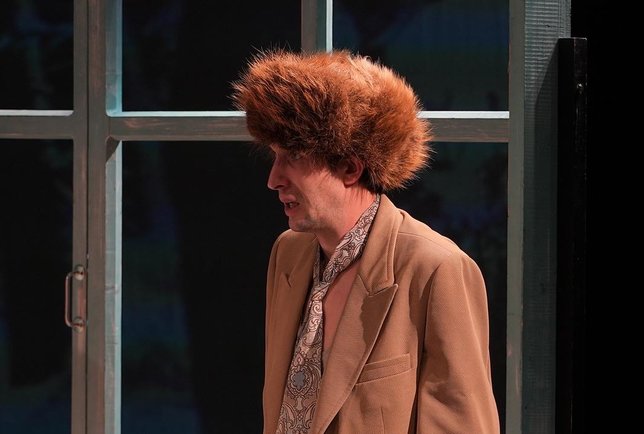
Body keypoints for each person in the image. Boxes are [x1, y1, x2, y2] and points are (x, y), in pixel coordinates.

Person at [232, 49, 500, 434]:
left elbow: (462, 423)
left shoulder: (435, 268)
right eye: (275, 157)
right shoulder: (288, 252)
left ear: (350, 167)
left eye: (293, 156)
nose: (273, 179)